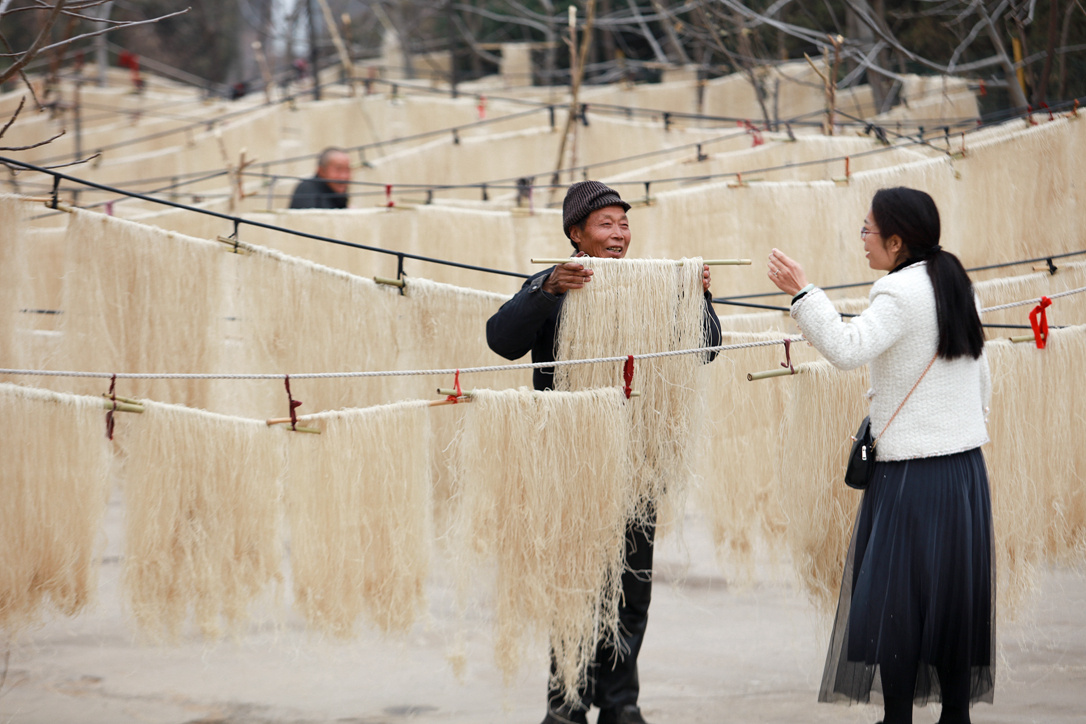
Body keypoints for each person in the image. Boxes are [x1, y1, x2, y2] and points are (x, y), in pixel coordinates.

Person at [486, 181, 722, 724]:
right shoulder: (555, 282)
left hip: (639, 457)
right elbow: (501, 339)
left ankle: (620, 703)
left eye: (623, 224)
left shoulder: (654, 284)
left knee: (630, 589)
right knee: (575, 584)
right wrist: (545, 289)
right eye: (605, 225)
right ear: (576, 235)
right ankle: (565, 703)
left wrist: (697, 297)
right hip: (571, 461)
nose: (618, 235)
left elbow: (706, 348)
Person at [767, 187, 994, 724]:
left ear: (897, 241)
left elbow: (848, 349)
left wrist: (803, 294)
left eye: (868, 230)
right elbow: (982, 377)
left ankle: (897, 718)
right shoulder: (956, 281)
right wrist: (958, 429)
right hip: (963, 472)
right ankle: (955, 715)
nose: (862, 240)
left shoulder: (896, 292)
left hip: (911, 475)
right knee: (952, 602)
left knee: (898, 604)